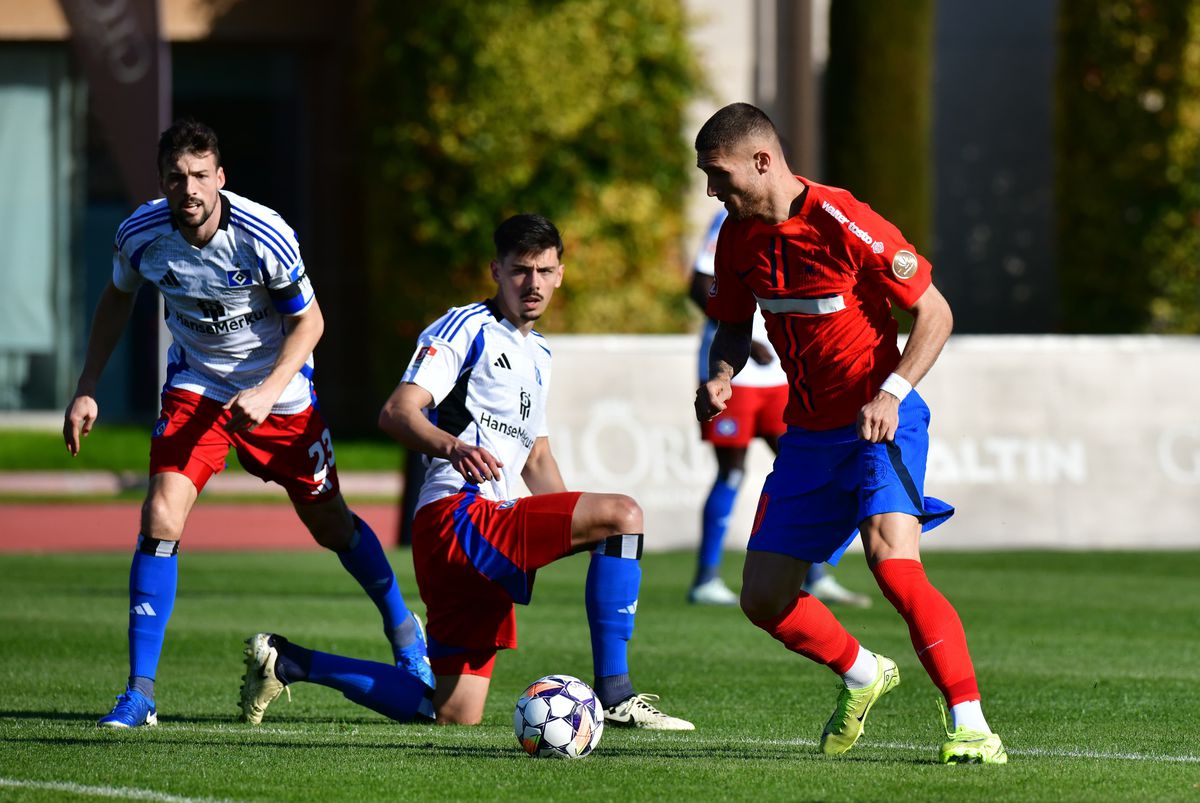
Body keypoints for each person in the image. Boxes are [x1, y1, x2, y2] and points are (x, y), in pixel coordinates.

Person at [240, 214, 693, 730]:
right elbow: (397, 412)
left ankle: (290, 660)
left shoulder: (539, 352)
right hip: (459, 515)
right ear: (495, 270)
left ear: (561, 273)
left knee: (454, 713)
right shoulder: (466, 326)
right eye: (521, 270)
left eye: (545, 271)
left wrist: (571, 530)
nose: (534, 283)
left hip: (471, 538)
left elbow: (537, 459)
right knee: (624, 513)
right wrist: (452, 447)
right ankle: (615, 693)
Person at [63, 119, 432, 729]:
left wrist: (267, 389)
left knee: (331, 524)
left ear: (221, 178)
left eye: (201, 176)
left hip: (280, 395)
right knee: (160, 515)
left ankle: (403, 629)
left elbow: (310, 325)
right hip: (198, 388)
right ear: (162, 182)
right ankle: (140, 693)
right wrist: (86, 387)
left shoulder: (265, 236)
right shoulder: (141, 235)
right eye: (177, 179)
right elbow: (117, 298)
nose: (190, 190)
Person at [693, 103, 1006, 764]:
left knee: (892, 564)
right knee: (763, 598)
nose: (711, 190)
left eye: (718, 175)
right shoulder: (735, 237)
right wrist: (721, 373)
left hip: (878, 419)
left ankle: (971, 723)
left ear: (762, 160)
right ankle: (864, 673)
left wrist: (893, 392)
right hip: (807, 435)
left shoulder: (843, 220)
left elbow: (935, 312)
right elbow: (729, 321)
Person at [688, 207, 871, 609]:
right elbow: (698, 284)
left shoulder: (803, 223)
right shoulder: (728, 223)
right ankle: (706, 578)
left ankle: (816, 575)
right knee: (732, 471)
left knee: (805, 470)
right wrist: (744, 340)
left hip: (779, 379)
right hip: (737, 377)